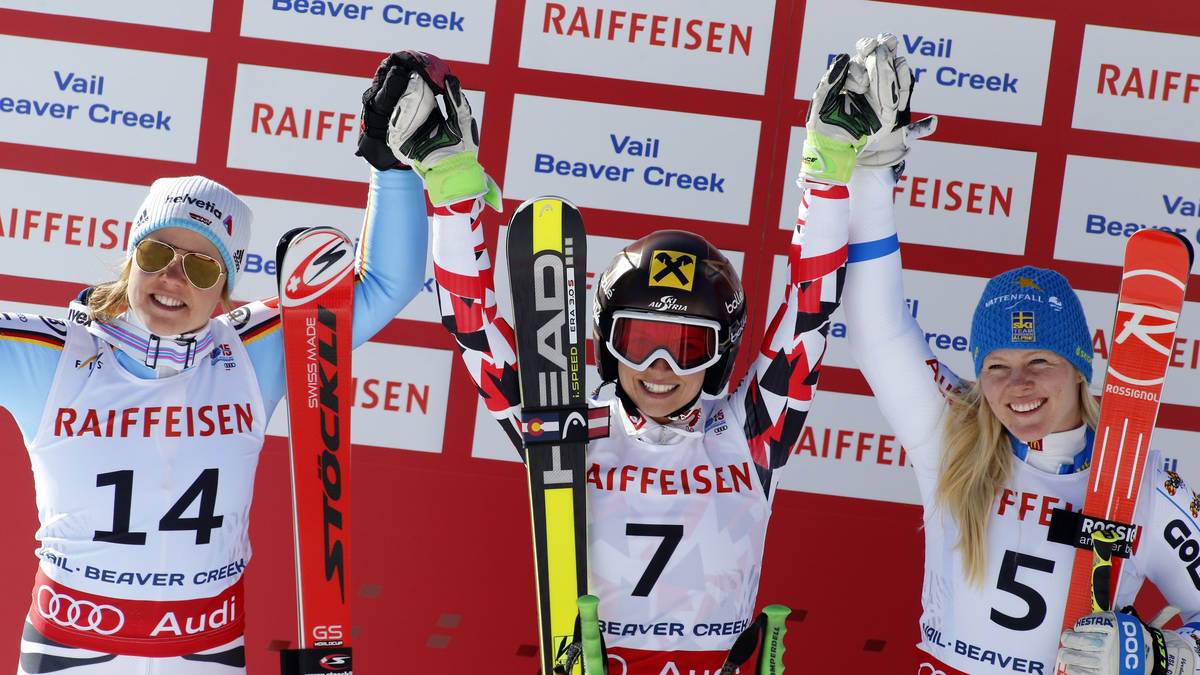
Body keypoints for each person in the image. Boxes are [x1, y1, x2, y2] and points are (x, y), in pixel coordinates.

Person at [0, 51, 471, 674]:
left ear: (224, 289)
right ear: (129, 256)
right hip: (71, 650)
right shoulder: (54, 352)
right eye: (158, 252)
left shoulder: (251, 350)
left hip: (207, 650)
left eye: (200, 267)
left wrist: (392, 168)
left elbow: (387, 282)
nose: (173, 277)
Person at [377, 55, 850, 673]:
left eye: (686, 347)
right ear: (606, 342)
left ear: (720, 354)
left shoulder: (750, 435)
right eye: (638, 339)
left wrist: (828, 166)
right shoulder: (568, 427)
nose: (658, 367)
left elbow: (808, 317)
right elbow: (471, 326)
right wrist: (450, 181)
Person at [807, 34, 1200, 675]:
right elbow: (878, 333)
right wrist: (873, 177)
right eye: (996, 367)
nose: (1018, 385)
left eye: (1039, 361)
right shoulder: (953, 433)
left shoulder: (1143, 484)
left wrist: (1160, 657)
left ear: (1079, 367)